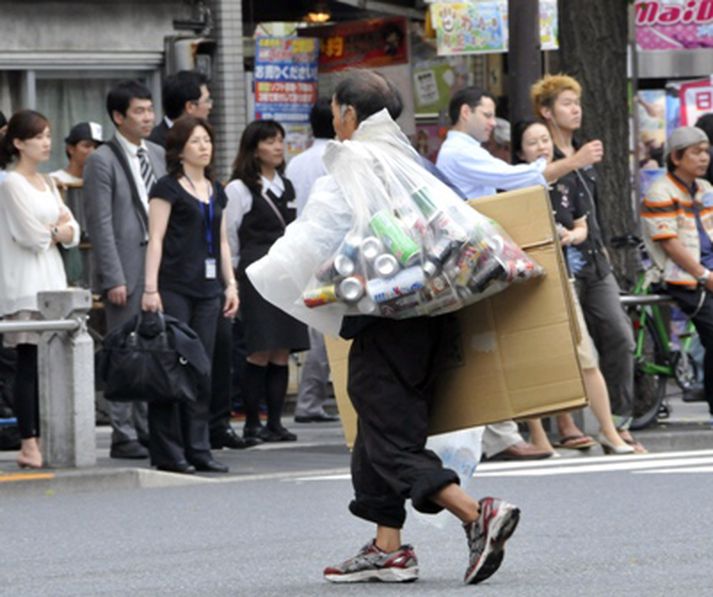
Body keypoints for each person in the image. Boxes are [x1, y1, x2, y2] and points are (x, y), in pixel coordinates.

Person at [307, 70, 519, 586]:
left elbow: (335, 236)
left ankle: (475, 513)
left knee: (386, 436)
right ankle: (388, 548)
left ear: (350, 116)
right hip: (434, 315)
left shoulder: (356, 158)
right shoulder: (414, 161)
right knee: (381, 428)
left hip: (389, 319)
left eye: (337, 110)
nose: (335, 120)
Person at [531, 74, 644, 453]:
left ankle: (620, 422)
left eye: (576, 102)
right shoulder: (545, 157)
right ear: (546, 112)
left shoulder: (583, 155)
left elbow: (591, 211)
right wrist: (573, 161)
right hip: (564, 262)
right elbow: (532, 180)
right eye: (566, 103)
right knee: (574, 348)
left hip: (596, 259)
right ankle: (570, 424)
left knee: (619, 336)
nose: (575, 109)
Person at [512, 119, 634, 455]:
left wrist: (570, 235)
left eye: (545, 140)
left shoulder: (570, 179)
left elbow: (581, 226)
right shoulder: (514, 183)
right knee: (533, 359)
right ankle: (540, 437)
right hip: (530, 281)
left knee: (585, 355)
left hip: (566, 273)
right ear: (520, 152)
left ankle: (610, 431)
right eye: (533, 142)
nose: (541, 146)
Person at [141, 115, 235, 473]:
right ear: (179, 150)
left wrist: (231, 284)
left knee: (201, 369)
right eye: (196, 141)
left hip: (209, 289)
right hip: (173, 287)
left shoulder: (216, 190)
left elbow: (224, 242)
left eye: (207, 140)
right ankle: (169, 449)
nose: (204, 147)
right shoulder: (166, 188)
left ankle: (199, 446)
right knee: (171, 369)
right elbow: (157, 240)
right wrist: (150, 288)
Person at [84, 80, 166, 460]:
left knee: (152, 348)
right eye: (139, 111)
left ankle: (149, 426)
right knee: (123, 349)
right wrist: (112, 276)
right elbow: (99, 223)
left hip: (157, 268)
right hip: (125, 269)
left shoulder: (158, 154)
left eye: (150, 109)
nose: (147, 117)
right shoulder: (102, 160)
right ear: (118, 117)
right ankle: (123, 430)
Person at [0, 110, 80, 469]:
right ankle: (29, 441)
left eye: (48, 134)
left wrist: (59, 232)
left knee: (50, 362)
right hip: (25, 282)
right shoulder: (10, 184)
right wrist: (56, 231)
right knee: (29, 362)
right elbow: (29, 236)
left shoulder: (47, 182)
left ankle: (45, 437)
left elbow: (74, 231)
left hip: (53, 279)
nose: (47, 142)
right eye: (39, 136)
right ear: (18, 142)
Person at [225, 120, 308, 443]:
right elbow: (230, 235)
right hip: (255, 269)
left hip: (284, 268)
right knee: (259, 347)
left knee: (282, 349)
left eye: (280, 140)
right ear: (254, 147)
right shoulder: (239, 188)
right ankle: (251, 422)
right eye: (270, 141)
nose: (278, 147)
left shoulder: (286, 186)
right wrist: (233, 276)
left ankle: (275, 421)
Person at [641, 126, 713, 424]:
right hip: (682, 277)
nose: (704, 157)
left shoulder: (706, 189)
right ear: (676, 157)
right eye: (696, 152)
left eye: (706, 151)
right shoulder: (660, 191)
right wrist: (703, 275)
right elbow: (669, 243)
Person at [436, 85, 604, 199]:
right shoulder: (460, 152)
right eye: (487, 115)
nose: (493, 123)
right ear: (465, 112)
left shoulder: (461, 149)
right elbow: (516, 177)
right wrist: (574, 161)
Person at [285, 98, 339, 424]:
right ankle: (309, 401)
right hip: (331, 250)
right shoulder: (335, 158)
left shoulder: (296, 163)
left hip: (301, 247)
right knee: (327, 328)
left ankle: (310, 399)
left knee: (316, 327)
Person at [149, 71, 212, 148]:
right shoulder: (153, 145)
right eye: (207, 101)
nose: (210, 106)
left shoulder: (204, 137)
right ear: (190, 107)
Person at [50, 122, 103, 186]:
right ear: (71, 149)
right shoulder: (53, 180)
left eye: (96, 147)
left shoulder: (102, 182)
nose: (93, 151)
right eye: (87, 146)